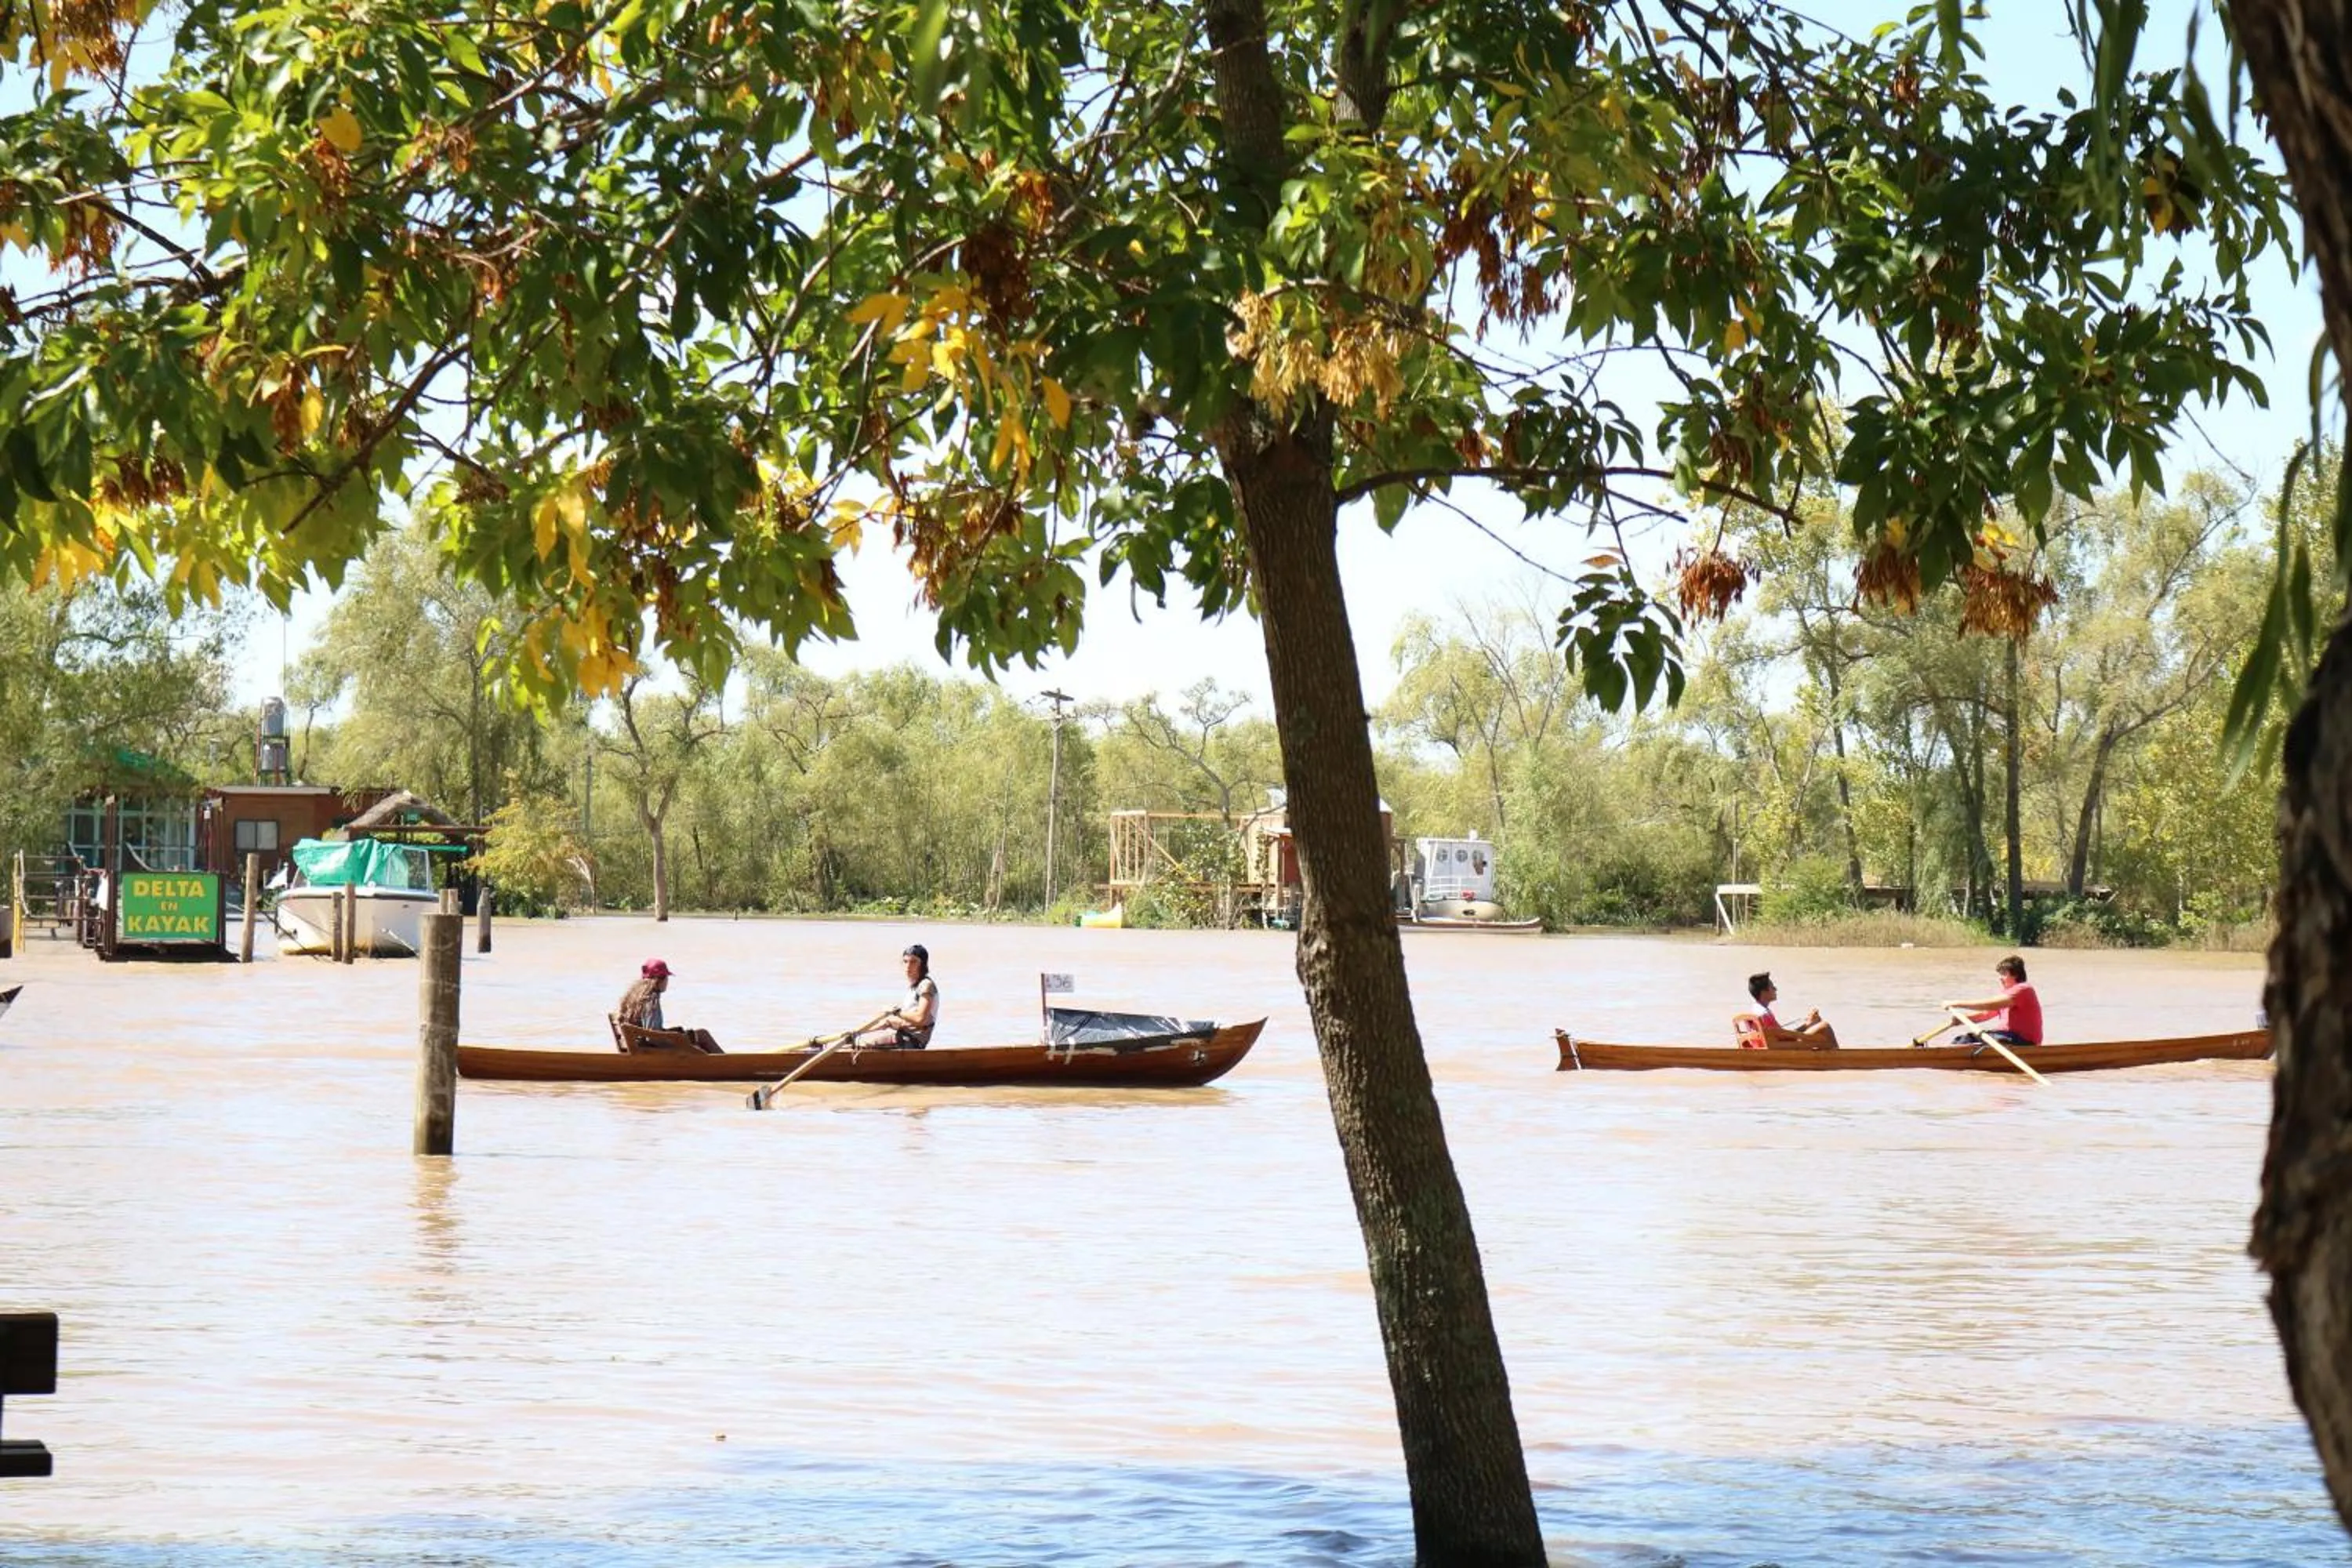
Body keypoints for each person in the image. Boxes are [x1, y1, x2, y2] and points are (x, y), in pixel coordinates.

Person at [614, 959, 720, 1053]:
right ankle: (727, 1064)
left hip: (640, 1043)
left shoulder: (636, 995)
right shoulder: (651, 1000)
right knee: (703, 1035)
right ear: (660, 979)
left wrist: (674, 1034)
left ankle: (719, 1063)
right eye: (667, 978)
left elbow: (650, 1032)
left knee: (698, 1034)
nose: (667, 982)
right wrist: (680, 1042)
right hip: (650, 1048)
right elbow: (652, 1038)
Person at [1944, 954, 2043, 1048]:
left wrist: (1956, 1003)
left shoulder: (2023, 989)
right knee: (1961, 1040)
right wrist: (1962, 1019)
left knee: (1969, 1041)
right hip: (2007, 1037)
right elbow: (1985, 1014)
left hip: (2023, 1041)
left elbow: (1989, 1005)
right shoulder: (2007, 993)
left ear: (2015, 975)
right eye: (2000, 974)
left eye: (2004, 974)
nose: (2000, 978)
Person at [855, 944, 939, 1049]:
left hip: (912, 1042)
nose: (908, 966)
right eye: (905, 962)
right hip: (903, 1037)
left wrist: (896, 1013)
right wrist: (857, 1032)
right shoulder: (914, 987)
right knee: (859, 1045)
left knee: (863, 1048)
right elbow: (906, 1022)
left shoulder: (926, 986)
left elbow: (920, 1019)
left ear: (923, 964)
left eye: (913, 962)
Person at [1745, 971, 1839, 1050]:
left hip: (1776, 1044)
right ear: (1764, 992)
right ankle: (1838, 1057)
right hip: (1780, 1048)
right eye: (1772, 987)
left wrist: (1807, 1025)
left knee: (1819, 1029)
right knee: (1825, 1026)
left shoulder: (1756, 1009)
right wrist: (1807, 1028)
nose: (1775, 989)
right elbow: (1785, 1037)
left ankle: (1829, 1056)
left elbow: (1782, 1034)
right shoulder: (1764, 1014)